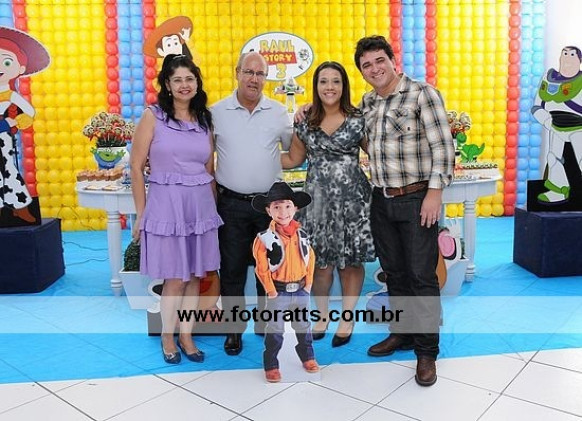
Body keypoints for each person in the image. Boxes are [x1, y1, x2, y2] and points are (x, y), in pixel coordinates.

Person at [355, 35, 455, 386]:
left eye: (379, 60)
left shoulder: (422, 94)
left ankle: (426, 352)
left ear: (392, 60)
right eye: (366, 65)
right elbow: (356, 135)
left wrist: (434, 193)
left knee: (421, 276)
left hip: (416, 199)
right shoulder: (367, 102)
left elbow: (443, 147)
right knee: (394, 273)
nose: (374, 69)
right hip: (381, 200)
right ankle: (402, 332)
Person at [131, 54, 222, 364]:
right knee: (175, 278)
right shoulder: (153, 116)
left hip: (200, 207)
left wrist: (213, 213)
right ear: (167, 85)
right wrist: (141, 214)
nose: (185, 85)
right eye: (178, 80)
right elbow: (135, 167)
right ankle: (167, 337)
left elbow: (209, 169)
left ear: (197, 83)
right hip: (167, 206)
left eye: (190, 79)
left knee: (195, 276)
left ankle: (186, 335)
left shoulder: (204, 120)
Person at [281, 61, 375, 347]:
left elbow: (378, 152)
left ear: (344, 86)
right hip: (317, 204)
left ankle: (347, 318)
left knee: (350, 262)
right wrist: (253, 155)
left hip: (354, 202)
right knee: (320, 265)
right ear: (316, 86)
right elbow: (293, 159)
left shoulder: (358, 119)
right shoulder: (304, 121)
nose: (330, 87)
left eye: (336, 81)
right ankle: (321, 315)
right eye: (324, 81)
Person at [212, 51, 293, 355]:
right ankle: (234, 331)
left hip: (268, 207)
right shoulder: (216, 112)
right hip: (230, 204)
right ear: (237, 73)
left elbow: (293, 152)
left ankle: (265, 322)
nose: (254, 79)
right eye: (249, 72)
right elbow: (204, 158)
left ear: (265, 78)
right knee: (231, 269)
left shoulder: (278, 112)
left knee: (267, 269)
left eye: (260, 74)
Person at [251, 181, 319, 383]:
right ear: (268, 210)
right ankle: (271, 364)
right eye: (277, 207)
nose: (283, 212)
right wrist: (271, 291)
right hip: (278, 292)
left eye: (288, 206)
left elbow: (310, 259)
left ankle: (307, 356)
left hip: (300, 289)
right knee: (275, 330)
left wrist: (308, 283)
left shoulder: (302, 234)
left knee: (303, 326)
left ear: (295, 208)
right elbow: (261, 267)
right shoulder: (264, 238)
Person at [0, 27, 50, 225]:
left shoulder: (10, 95)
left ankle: (19, 207)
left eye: (6, 62)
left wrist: (14, 122)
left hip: (4, 138)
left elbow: (29, 111)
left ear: (20, 68)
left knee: (8, 169)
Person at [531, 45, 582, 204]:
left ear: (579, 60)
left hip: (579, 127)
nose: (567, 58)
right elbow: (537, 105)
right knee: (553, 158)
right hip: (555, 125)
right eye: (564, 54)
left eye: (572, 55)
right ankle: (558, 191)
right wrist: (546, 120)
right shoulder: (548, 78)